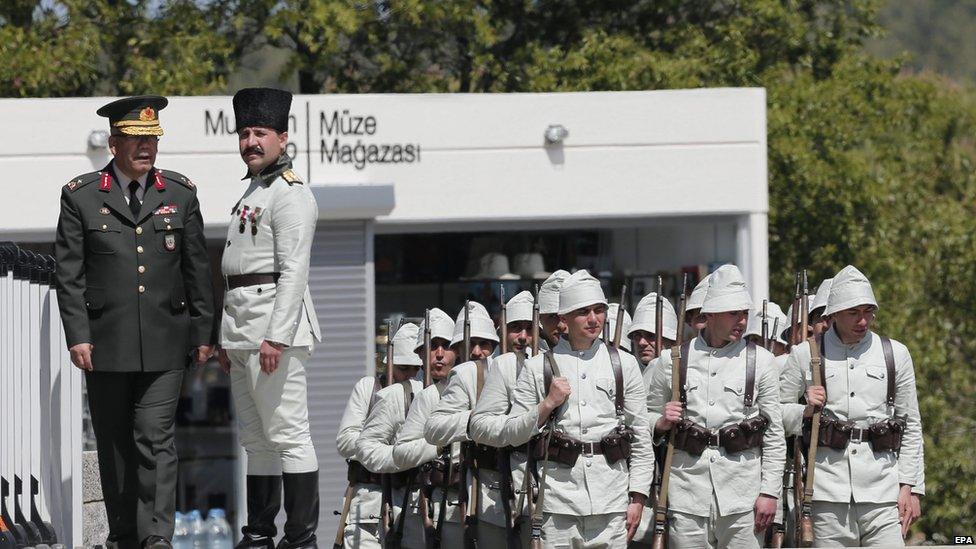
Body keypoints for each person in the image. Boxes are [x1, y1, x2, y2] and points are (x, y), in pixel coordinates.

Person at [55, 95, 215, 549]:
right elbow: (70, 273)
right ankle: (124, 532)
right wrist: (77, 335)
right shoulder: (81, 196)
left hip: (166, 342)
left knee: (154, 437)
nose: (146, 149)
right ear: (114, 142)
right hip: (106, 342)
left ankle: (157, 535)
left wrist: (204, 332)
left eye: (152, 139)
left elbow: (196, 269)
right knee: (114, 442)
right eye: (136, 140)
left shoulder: (180, 193)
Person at [215, 87, 322, 549]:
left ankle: (300, 539)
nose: (251, 141)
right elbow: (236, 272)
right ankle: (259, 533)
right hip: (243, 332)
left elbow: (294, 270)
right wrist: (228, 339)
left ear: (282, 137)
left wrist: (276, 338)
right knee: (256, 440)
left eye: (260, 133)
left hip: (275, 333)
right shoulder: (253, 191)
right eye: (244, 133)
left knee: (289, 435)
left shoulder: (292, 194)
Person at [503, 270, 654, 548]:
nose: (594, 319)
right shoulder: (539, 367)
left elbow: (641, 437)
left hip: (612, 501)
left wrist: (638, 496)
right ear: (564, 319)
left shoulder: (624, 363)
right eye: (583, 311)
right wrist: (547, 404)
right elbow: (513, 433)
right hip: (558, 503)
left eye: (599, 310)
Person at [779, 265, 924, 546]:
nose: (863, 320)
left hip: (883, 493)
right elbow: (776, 414)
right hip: (826, 494)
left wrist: (911, 487)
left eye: (868, 311)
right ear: (833, 314)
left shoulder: (895, 353)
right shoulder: (803, 354)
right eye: (854, 312)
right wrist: (805, 410)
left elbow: (910, 424)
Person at [645, 264, 785, 549]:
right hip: (687, 494)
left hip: (743, 496)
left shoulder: (762, 361)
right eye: (734, 313)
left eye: (744, 314)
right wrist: (659, 423)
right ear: (710, 315)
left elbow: (773, 434)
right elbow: (643, 417)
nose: (742, 322)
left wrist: (770, 492)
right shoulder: (672, 360)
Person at [357, 309, 456, 549]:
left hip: (456, 507)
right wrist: (410, 456)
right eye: (433, 346)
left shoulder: (471, 389)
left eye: (447, 345)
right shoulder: (398, 394)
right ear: (420, 353)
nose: (440, 354)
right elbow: (366, 449)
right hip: (411, 508)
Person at [335, 323, 422, 548]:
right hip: (368, 498)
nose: (410, 376)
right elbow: (345, 441)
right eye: (404, 368)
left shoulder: (423, 394)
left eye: (415, 370)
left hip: (408, 502)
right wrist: (382, 447)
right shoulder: (369, 388)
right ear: (390, 365)